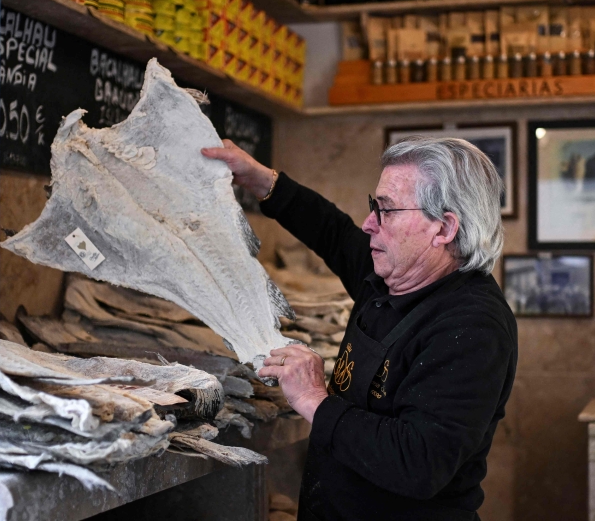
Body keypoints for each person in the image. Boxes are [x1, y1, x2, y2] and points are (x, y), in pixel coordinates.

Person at [202, 137, 518, 521]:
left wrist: (315, 400)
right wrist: (260, 180)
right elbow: (333, 232)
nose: (369, 224)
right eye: (374, 206)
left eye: (386, 210)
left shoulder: (472, 326)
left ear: (444, 228)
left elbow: (419, 463)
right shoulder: (390, 277)